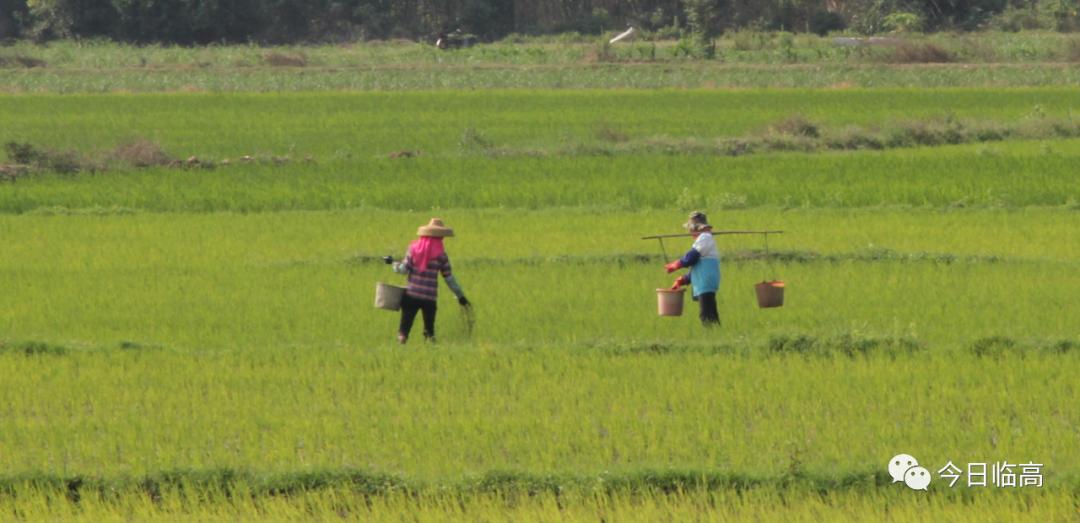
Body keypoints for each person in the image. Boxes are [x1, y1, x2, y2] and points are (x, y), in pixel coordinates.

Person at [386, 218, 469, 344]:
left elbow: (403, 269)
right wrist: (460, 296)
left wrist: (393, 263)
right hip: (429, 298)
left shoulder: (413, 250)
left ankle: (401, 346)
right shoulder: (442, 256)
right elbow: (449, 278)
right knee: (429, 332)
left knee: (404, 329)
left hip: (411, 295)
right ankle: (430, 350)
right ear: (440, 238)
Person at [664, 211, 721, 326]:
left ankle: (710, 335)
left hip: (706, 281)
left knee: (706, 314)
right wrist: (684, 279)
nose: (690, 233)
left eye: (690, 229)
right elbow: (698, 267)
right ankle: (715, 332)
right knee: (710, 312)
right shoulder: (704, 238)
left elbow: (692, 257)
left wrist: (677, 264)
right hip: (704, 280)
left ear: (695, 228)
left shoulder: (705, 237)